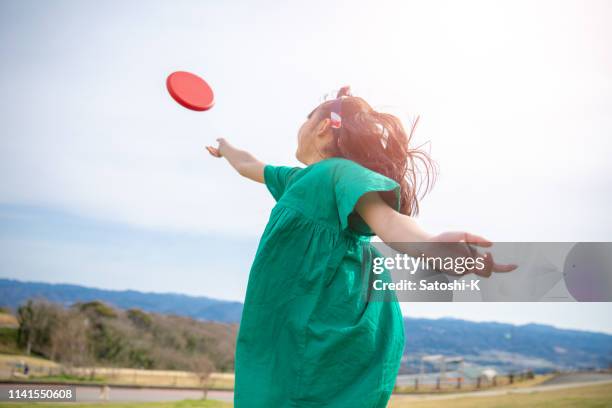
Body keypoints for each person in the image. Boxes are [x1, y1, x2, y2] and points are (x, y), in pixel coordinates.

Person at [206, 87, 515, 407]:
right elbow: (248, 165)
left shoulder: (342, 172)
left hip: (323, 320)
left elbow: (388, 221)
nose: (300, 127)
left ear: (323, 127)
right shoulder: (297, 181)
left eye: (307, 118)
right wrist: (224, 147)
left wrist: (431, 245)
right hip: (296, 319)